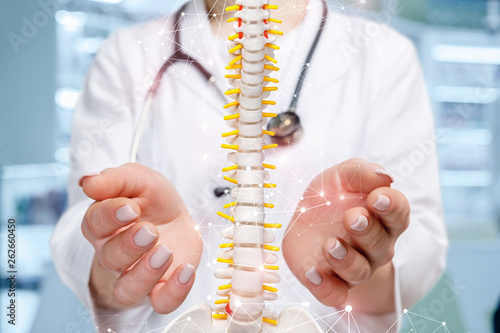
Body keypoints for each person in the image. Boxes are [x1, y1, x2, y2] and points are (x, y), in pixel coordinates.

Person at [50, 0, 448, 331]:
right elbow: (77, 236)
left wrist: (355, 258)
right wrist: (121, 254)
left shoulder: (383, 55)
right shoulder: (127, 54)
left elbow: (421, 245)